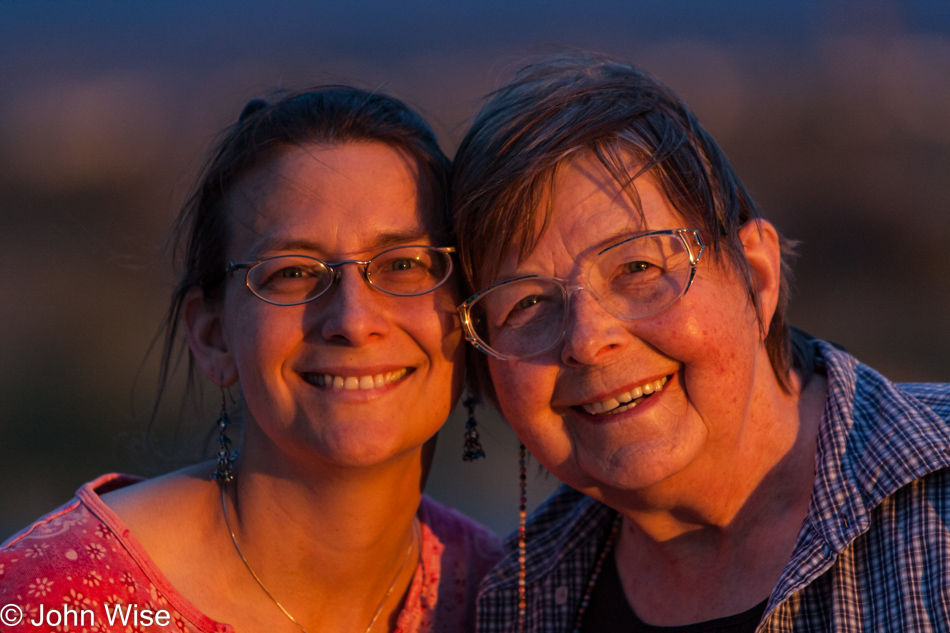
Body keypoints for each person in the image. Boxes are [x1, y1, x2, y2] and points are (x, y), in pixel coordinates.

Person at [451, 53, 950, 632]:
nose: (587, 339)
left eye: (637, 267)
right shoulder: (517, 601)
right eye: (526, 303)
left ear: (756, 276)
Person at [0, 86, 502, 633]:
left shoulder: (505, 596)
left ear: (470, 311)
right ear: (213, 335)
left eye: (404, 264)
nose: (355, 321)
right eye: (293, 273)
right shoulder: (58, 604)